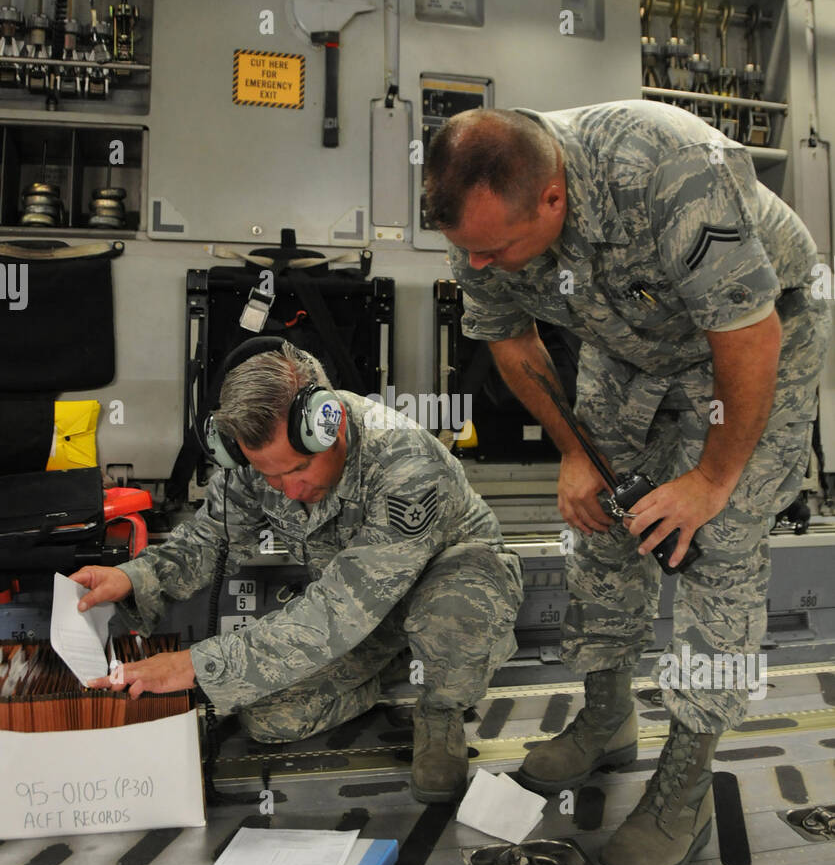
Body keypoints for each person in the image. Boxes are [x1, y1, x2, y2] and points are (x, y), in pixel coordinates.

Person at [425, 99, 831, 865]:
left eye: (495, 250)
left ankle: (686, 780)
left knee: (710, 540)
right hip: (629, 340)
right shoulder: (481, 223)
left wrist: (709, 483)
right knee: (599, 517)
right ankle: (608, 715)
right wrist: (576, 453)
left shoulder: (671, 172)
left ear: (551, 198)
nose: (476, 267)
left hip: (759, 331)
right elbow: (510, 340)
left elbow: (746, 336)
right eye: (466, 252)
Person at [71, 341, 524, 804]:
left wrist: (194, 665)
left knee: (453, 610)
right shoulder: (256, 455)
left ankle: (441, 709)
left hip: (446, 582)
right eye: (271, 476)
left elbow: (338, 610)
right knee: (268, 719)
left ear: (332, 425)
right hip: (361, 609)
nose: (289, 489)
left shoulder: (407, 464)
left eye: (300, 468)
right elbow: (211, 537)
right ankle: (393, 664)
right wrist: (132, 577)